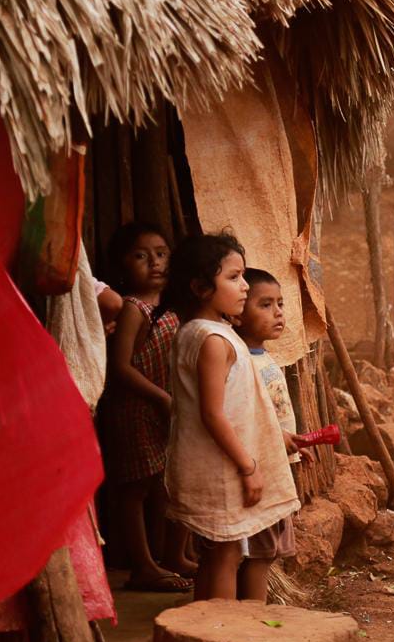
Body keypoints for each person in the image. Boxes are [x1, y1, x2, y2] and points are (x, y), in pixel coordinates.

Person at [159, 233, 299, 601]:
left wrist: (276, 438)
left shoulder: (198, 332)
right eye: (233, 277)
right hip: (223, 468)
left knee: (215, 555)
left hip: (215, 463)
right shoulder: (213, 340)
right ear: (201, 288)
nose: (245, 286)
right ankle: (224, 631)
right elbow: (213, 414)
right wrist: (248, 467)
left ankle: (205, 629)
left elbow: (242, 407)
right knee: (227, 555)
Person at [97, 222, 193, 591]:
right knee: (135, 488)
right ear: (123, 266)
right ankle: (143, 565)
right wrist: (161, 397)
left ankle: (173, 555)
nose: (154, 262)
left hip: (166, 406)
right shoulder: (133, 309)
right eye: (141, 256)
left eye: (161, 254)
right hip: (135, 408)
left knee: (167, 483)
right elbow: (120, 367)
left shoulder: (173, 305)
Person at [231, 267, 315, 601]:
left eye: (280, 303)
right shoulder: (241, 363)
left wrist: (291, 445)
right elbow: (248, 420)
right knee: (260, 553)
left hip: (274, 468)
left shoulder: (263, 357)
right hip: (257, 473)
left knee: (266, 552)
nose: (278, 312)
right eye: (265, 305)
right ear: (237, 314)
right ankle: (255, 618)